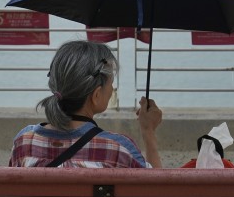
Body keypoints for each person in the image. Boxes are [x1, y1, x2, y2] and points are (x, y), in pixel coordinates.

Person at [9, 40, 163, 168]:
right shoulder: (118, 149)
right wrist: (148, 131)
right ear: (96, 95)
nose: (112, 89)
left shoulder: (24, 142)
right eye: (111, 84)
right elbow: (155, 195)